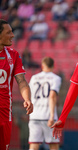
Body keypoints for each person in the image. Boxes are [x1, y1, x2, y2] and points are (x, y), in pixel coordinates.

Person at [0, 19, 33, 150]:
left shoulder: (13, 55)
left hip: (4, 112)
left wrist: (27, 99)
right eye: (9, 32)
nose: (13, 35)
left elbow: (22, 81)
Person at [28, 57, 62, 150]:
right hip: (48, 117)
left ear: (42, 66)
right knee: (53, 145)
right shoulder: (56, 78)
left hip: (34, 115)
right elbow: (52, 95)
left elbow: (29, 93)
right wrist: (52, 116)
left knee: (33, 144)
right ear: (53, 66)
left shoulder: (34, 78)